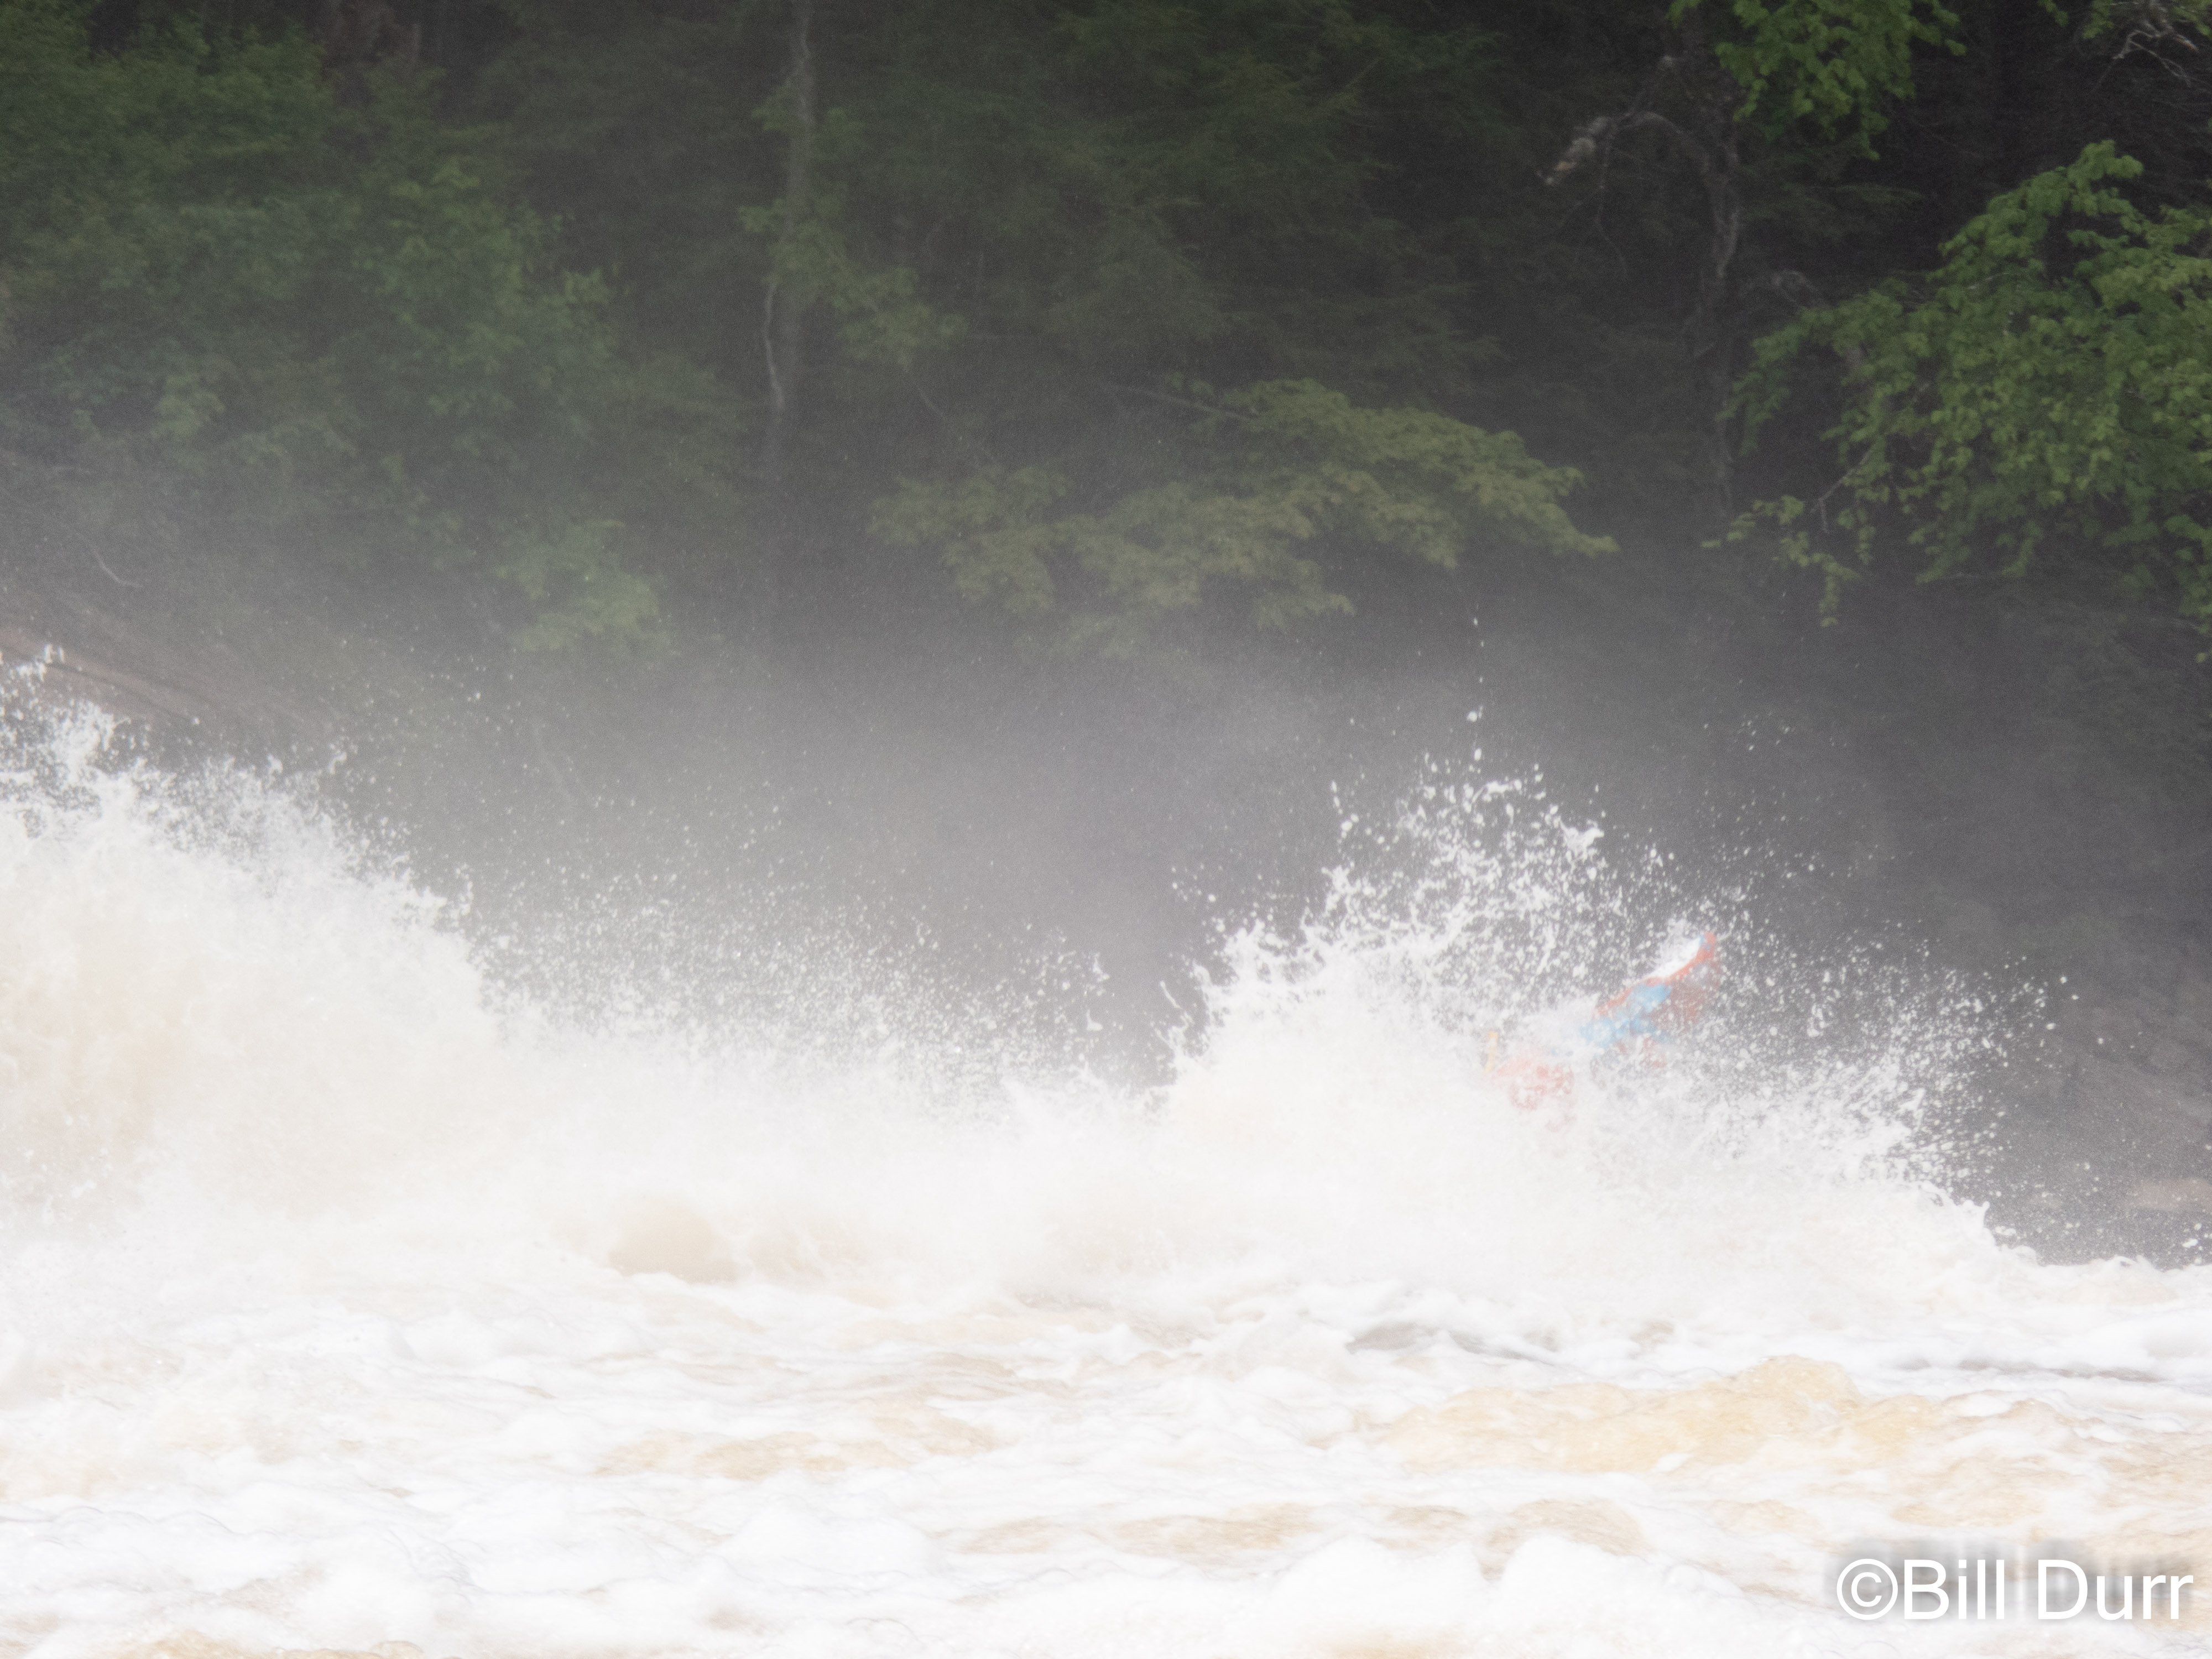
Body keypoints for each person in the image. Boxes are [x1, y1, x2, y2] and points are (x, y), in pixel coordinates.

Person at [1488, 932, 1720, 1109]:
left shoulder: (1656, 1031)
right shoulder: (1650, 996)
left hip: (1558, 1071)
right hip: (1551, 1068)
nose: (1704, 1002)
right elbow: (1705, 942)